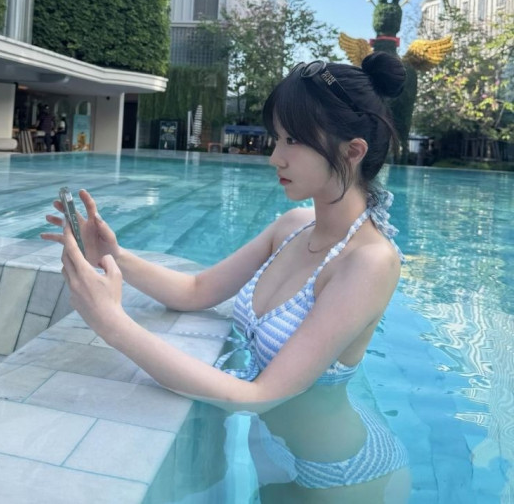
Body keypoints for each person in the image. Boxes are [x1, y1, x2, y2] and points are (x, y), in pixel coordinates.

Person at [41, 52, 411, 500]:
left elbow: (262, 395)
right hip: (277, 449)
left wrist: (112, 323)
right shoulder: (293, 227)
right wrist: (115, 256)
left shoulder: (370, 262)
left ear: (352, 151)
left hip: (342, 474)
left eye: (293, 140)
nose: (274, 157)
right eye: (277, 138)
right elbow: (197, 290)